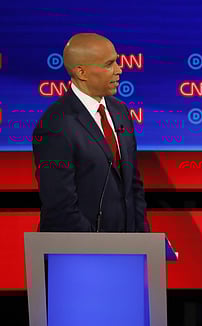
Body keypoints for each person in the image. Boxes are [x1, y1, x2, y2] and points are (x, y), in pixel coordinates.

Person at [33, 33, 149, 232]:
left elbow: (133, 187)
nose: (119, 70)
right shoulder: (56, 125)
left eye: (117, 62)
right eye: (109, 64)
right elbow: (61, 208)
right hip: (81, 253)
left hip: (128, 251)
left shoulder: (120, 111)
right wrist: (102, 248)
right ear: (81, 72)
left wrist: (143, 242)